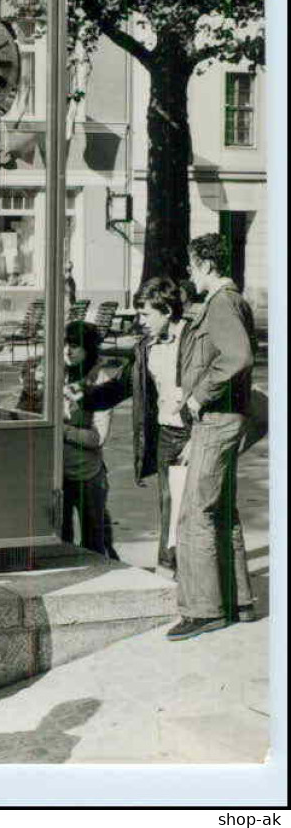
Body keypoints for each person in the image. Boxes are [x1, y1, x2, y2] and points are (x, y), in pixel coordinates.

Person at [167, 232, 257, 641]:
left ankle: (204, 610)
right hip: (229, 417)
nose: (189, 272)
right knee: (221, 510)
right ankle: (238, 600)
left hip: (217, 418)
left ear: (205, 264)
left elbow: (237, 356)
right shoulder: (230, 301)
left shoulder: (221, 303)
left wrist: (198, 397)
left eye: (191, 265)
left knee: (195, 514)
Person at [84, 278, 193, 575]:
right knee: (169, 504)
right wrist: (82, 397)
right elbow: (122, 385)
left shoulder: (193, 339)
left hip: (195, 434)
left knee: (194, 509)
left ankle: (186, 572)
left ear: (167, 310)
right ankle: (170, 568)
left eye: (145, 314)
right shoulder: (147, 347)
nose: (139, 321)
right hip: (167, 434)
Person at [61, 320, 118, 558]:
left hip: (88, 475)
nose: (67, 350)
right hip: (57, 474)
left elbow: (98, 437)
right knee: (60, 541)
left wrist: (64, 431)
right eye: (65, 344)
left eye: (75, 346)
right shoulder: (57, 375)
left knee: (93, 544)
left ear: (89, 349)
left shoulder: (101, 381)